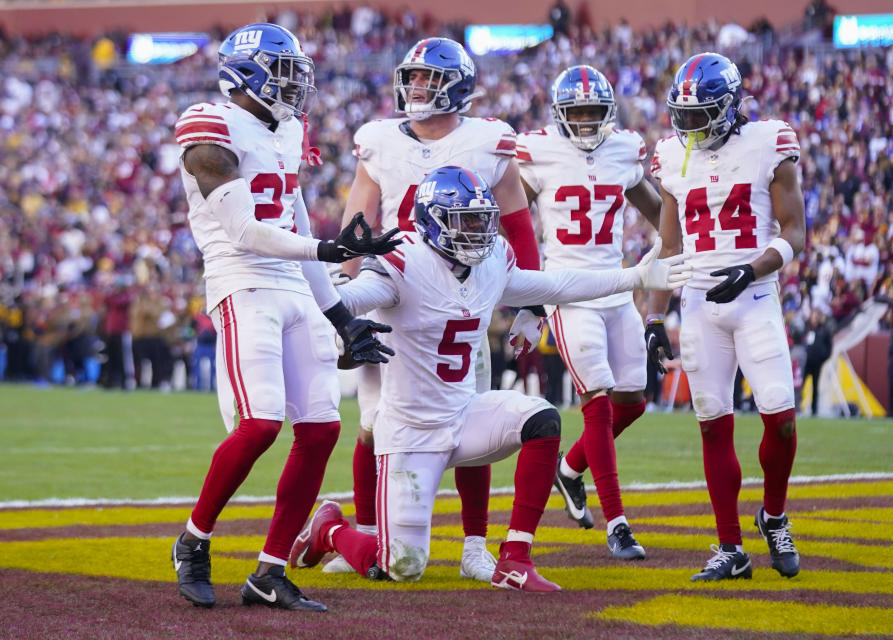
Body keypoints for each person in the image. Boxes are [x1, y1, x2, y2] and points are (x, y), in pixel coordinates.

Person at [289, 166, 691, 591]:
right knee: (402, 564)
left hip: (464, 416)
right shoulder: (404, 259)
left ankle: (515, 559)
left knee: (543, 418)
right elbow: (347, 300)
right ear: (432, 220)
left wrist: (635, 277)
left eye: (482, 218)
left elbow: (557, 284)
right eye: (466, 220)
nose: (478, 230)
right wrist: (325, 278)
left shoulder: (492, 261)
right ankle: (329, 530)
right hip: (411, 432)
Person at [169, 23, 400, 612]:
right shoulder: (208, 126)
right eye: (286, 74)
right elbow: (246, 231)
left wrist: (339, 314)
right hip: (242, 281)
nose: (297, 87)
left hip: (294, 284)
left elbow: (294, 214)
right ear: (247, 76)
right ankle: (193, 541)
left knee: (321, 428)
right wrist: (327, 250)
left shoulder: (288, 129)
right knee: (261, 424)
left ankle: (269, 571)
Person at [324, 37, 544, 582]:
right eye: (413, 78)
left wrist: (531, 305)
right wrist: (343, 307)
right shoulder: (377, 140)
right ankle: (368, 533)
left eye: (427, 79)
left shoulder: (488, 140)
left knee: (471, 412)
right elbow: (358, 224)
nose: (416, 88)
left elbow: (518, 226)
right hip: (396, 294)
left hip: (459, 299)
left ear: (457, 86)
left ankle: (474, 544)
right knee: (374, 426)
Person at [646, 52, 807, 582]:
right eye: (682, 113)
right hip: (697, 305)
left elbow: (795, 232)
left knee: (780, 420)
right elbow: (668, 246)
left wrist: (752, 268)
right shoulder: (672, 155)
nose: (687, 125)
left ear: (730, 106)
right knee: (713, 426)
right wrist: (653, 319)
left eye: (700, 113)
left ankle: (774, 516)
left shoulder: (769, 141)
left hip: (755, 297)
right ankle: (730, 547)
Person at [516, 65, 662, 559]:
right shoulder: (538, 152)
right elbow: (514, 218)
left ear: (608, 114)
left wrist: (684, 237)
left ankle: (569, 470)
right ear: (559, 116)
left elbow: (659, 210)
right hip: (568, 290)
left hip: (617, 289)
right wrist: (530, 294)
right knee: (597, 405)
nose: (582, 121)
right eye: (574, 112)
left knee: (633, 403)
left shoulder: (624, 148)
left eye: (591, 112)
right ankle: (618, 524)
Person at [802, 309, 833, 416]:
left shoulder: (824, 330)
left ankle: (814, 410)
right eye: (813, 315)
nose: (814, 318)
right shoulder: (806, 328)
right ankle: (797, 406)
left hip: (817, 364)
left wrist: (822, 358)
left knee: (815, 387)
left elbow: (829, 348)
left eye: (816, 316)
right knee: (800, 385)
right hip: (805, 363)